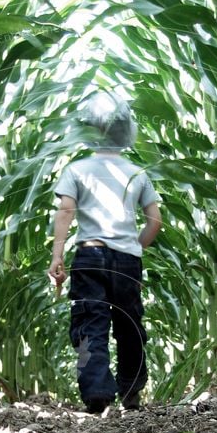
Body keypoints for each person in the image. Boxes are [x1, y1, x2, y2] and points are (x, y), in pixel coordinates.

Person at [48, 92, 162, 413]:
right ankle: (131, 392)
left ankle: (96, 393)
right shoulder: (137, 173)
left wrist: (58, 256)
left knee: (90, 325)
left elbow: (66, 212)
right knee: (129, 325)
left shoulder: (77, 170)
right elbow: (155, 220)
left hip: (90, 256)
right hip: (127, 261)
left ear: (89, 130)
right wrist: (133, 248)